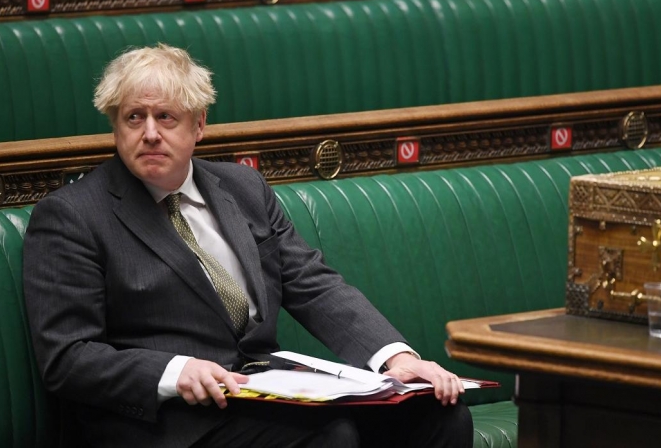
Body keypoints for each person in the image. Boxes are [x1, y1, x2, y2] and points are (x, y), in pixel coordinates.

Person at [23, 43, 472, 447]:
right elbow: (68, 357)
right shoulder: (73, 216)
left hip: (266, 395)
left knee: (439, 416)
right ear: (115, 125)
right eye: (133, 117)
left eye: (166, 117)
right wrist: (174, 372)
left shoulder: (243, 188)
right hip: (163, 420)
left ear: (199, 125)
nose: (151, 133)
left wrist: (395, 358)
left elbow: (312, 284)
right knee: (330, 437)